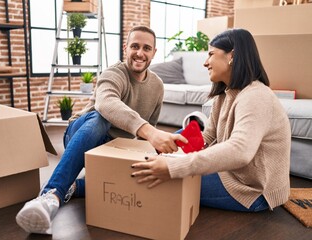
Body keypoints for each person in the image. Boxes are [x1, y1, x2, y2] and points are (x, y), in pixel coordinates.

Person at [16, 25, 187, 234]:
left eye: (146, 48)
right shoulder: (113, 73)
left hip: (116, 146)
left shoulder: (157, 85)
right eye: (134, 46)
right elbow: (106, 104)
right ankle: (50, 195)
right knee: (101, 118)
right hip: (83, 133)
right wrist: (150, 132)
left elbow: (147, 132)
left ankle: (74, 187)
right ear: (125, 48)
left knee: (141, 173)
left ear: (154, 53)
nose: (140, 53)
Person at [131, 28, 291, 212]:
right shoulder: (224, 96)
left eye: (211, 54)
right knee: (171, 142)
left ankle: (94, 185)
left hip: (252, 190)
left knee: (153, 180)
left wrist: (174, 166)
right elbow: (207, 137)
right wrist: (166, 144)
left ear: (232, 56)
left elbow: (240, 151)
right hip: (232, 174)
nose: (206, 63)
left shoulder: (256, 96)